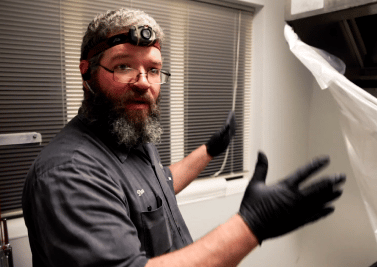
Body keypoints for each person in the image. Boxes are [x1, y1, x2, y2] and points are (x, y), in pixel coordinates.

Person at [22, 8, 346, 267]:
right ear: (86, 73)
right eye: (123, 66)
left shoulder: (132, 134)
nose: (143, 82)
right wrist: (250, 226)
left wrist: (208, 151)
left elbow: (154, 188)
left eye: (152, 69)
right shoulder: (69, 173)